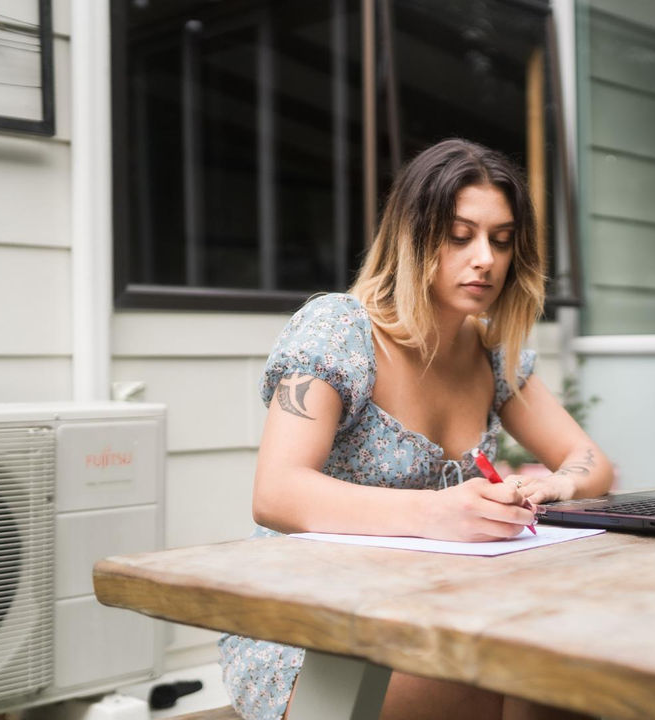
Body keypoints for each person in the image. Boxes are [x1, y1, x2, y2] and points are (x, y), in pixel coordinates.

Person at [219, 138, 614, 720]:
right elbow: (275, 492)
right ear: (412, 236)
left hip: (433, 609)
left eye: (501, 241)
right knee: (481, 678)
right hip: (309, 622)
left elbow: (590, 460)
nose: (485, 258)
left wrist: (558, 486)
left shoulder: (490, 352)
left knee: (563, 673)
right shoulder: (340, 331)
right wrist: (440, 514)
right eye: (460, 236)